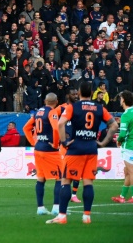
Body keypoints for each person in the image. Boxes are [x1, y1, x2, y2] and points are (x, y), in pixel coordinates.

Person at [47, 82, 117, 225]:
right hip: (91, 148)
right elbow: (114, 125)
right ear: (92, 93)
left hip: (76, 147)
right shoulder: (99, 108)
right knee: (88, 182)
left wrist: (63, 142)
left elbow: (60, 124)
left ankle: (62, 216)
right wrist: (103, 142)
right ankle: (86, 216)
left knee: (66, 180)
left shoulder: (73, 107)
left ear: (79, 93)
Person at [23, 93, 63, 215]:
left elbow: (26, 128)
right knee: (60, 177)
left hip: (39, 148)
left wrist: (34, 142)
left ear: (45, 101)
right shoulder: (52, 112)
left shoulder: (38, 112)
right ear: (56, 102)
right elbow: (56, 129)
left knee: (41, 178)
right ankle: (56, 207)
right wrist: (56, 145)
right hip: (49, 150)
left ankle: (40, 208)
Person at [111, 90, 133, 203]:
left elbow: (123, 134)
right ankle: (122, 197)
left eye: (120, 98)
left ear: (123, 99)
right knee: (127, 171)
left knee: (131, 171)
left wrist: (119, 140)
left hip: (129, 147)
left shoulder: (126, 114)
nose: (120, 100)